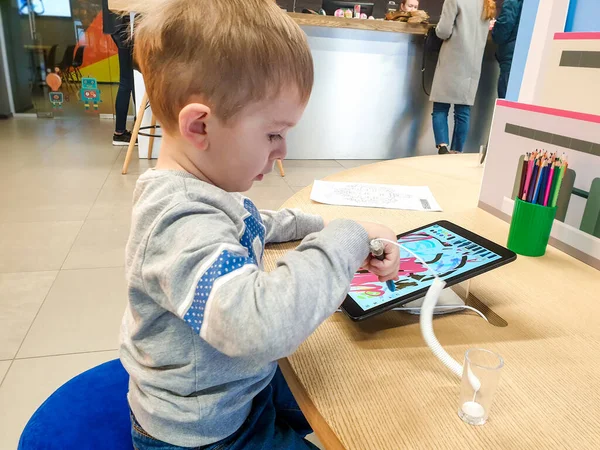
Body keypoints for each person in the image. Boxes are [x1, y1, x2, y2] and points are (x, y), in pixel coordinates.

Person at [120, 1, 400, 449]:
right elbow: (257, 327)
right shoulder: (178, 219)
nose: (283, 149)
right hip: (207, 432)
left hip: (238, 391)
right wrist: (345, 236)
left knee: (362, 394)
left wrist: (324, 223)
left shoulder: (203, 192)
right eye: (273, 133)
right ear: (200, 126)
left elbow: (252, 223)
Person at [429, 0, 496, 154]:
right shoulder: (486, 3)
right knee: (463, 110)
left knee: (440, 106)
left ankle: (443, 147)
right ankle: (457, 151)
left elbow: (443, 31)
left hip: (452, 57)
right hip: (473, 61)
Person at [101, 0, 136, 146]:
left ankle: (123, 131)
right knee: (129, 81)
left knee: (130, 80)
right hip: (126, 24)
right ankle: (120, 133)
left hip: (119, 24)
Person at [492, 0, 524, 99]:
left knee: (506, 102)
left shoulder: (513, 1)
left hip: (511, 58)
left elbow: (502, 31)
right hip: (525, 56)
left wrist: (495, 28)